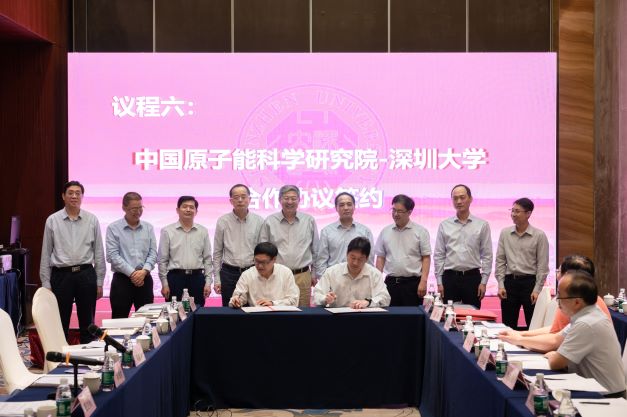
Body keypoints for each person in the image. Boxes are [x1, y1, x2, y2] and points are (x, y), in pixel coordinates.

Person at [498, 255, 612, 352]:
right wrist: (520, 334)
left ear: (569, 277)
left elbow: (554, 342)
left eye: (559, 271)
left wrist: (520, 340)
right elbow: (556, 330)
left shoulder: (577, 303)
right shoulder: (588, 300)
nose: (557, 274)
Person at [39, 181, 106, 343]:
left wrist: (99, 282)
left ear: (82, 196)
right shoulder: (52, 220)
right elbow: (46, 253)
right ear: (63, 196)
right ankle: (60, 355)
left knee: (88, 323)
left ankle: (88, 354)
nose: (74, 196)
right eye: (70, 193)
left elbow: (99, 252)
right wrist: (46, 283)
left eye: (78, 193)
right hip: (61, 276)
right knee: (60, 322)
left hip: (85, 274)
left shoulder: (91, 219)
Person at [545, 269, 625, 398]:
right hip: (599, 390)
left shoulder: (586, 323)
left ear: (577, 302)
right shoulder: (589, 314)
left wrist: (553, 355)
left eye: (560, 296)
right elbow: (557, 339)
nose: (557, 301)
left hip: (605, 396)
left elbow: (556, 363)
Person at [259, 185, 319, 307]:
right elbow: (263, 251)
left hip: (302, 275)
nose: (290, 202)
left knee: (303, 311)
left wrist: (314, 274)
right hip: (277, 275)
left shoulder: (309, 221)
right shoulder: (270, 221)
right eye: (286, 198)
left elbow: (316, 250)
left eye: (293, 198)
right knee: (278, 309)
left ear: (299, 200)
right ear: (279, 200)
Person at [434, 184, 492, 308]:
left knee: (473, 315)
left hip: (472, 278)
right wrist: (439, 281)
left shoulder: (482, 225)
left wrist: (484, 282)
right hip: (450, 278)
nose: (459, 201)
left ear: (470, 199)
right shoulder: (444, 225)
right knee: (449, 315)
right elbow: (439, 255)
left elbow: (487, 255)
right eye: (455, 198)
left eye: (462, 197)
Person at [495, 198, 549, 330]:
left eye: (517, 211)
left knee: (533, 325)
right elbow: (500, 260)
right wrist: (501, 284)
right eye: (512, 211)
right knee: (508, 325)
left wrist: (537, 289)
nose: (513, 214)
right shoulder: (505, 233)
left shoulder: (539, 235)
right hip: (510, 283)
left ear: (528, 213)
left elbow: (542, 266)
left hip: (529, 284)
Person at [106, 192, 157, 318]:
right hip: (122, 281)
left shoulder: (148, 228)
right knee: (119, 320)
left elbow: (153, 253)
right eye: (134, 208)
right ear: (124, 208)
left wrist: (144, 271)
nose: (138, 212)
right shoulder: (113, 228)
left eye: (140, 208)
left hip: (144, 279)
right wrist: (133, 273)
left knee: (146, 320)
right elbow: (113, 255)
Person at [374, 194, 431, 306]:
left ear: (409, 212)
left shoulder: (420, 232)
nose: (395, 214)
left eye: (400, 211)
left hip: (412, 284)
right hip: (390, 284)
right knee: (389, 315)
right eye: (393, 210)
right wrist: (377, 281)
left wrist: (423, 281)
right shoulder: (385, 231)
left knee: (412, 315)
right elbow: (380, 258)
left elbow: (426, 258)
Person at [213, 184, 264, 306]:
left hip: (252, 271)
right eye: (236, 197)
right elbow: (217, 252)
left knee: (253, 309)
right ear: (231, 201)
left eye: (243, 197)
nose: (240, 200)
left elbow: (262, 251)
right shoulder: (223, 221)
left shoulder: (259, 221)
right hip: (229, 273)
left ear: (249, 199)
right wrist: (217, 279)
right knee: (230, 309)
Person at [158, 196, 212, 307]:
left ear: (196, 211)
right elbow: (162, 260)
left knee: (197, 311)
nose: (188, 210)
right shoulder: (167, 231)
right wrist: (164, 283)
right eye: (184, 207)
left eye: (191, 207)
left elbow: (207, 259)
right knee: (174, 312)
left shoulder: (203, 231)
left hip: (197, 278)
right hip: (175, 279)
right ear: (177, 210)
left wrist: (208, 283)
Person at [314, 237, 390, 308]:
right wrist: (325, 298)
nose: (355, 263)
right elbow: (317, 294)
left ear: (366, 259)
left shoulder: (375, 274)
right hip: (337, 315)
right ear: (347, 254)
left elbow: (385, 298)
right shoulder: (332, 272)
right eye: (353, 258)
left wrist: (368, 302)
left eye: (360, 259)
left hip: (364, 314)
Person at [315, 192, 374, 277]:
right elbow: (321, 260)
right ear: (336, 208)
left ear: (354, 207)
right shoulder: (327, 231)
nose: (346, 208)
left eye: (349, 204)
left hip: (359, 279)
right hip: (334, 279)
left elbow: (369, 260)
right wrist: (325, 280)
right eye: (342, 205)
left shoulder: (365, 231)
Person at [229, 242, 299, 308]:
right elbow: (239, 297)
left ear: (274, 259)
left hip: (280, 314)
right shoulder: (247, 275)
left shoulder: (285, 273)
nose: (260, 266)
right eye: (256, 261)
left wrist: (273, 303)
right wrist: (236, 301)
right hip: (256, 314)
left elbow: (293, 300)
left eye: (264, 262)